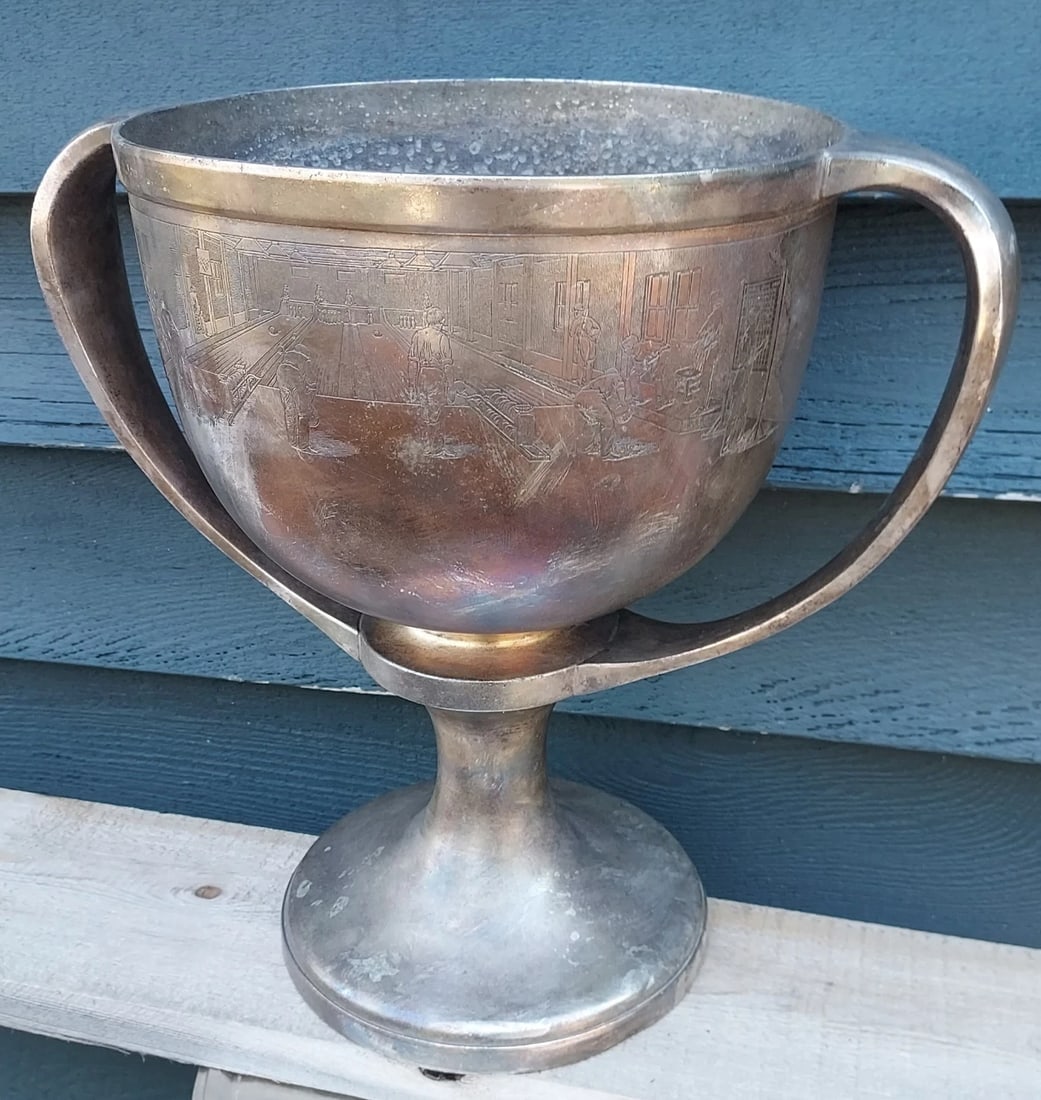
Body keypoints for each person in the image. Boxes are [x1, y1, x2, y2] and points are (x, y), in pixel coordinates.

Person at [276, 343, 318, 451]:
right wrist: (312, 389)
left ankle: (292, 441)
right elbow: (311, 380)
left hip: (280, 373)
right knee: (303, 412)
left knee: (290, 409)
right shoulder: (305, 359)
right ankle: (303, 445)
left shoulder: (288, 355)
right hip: (294, 376)